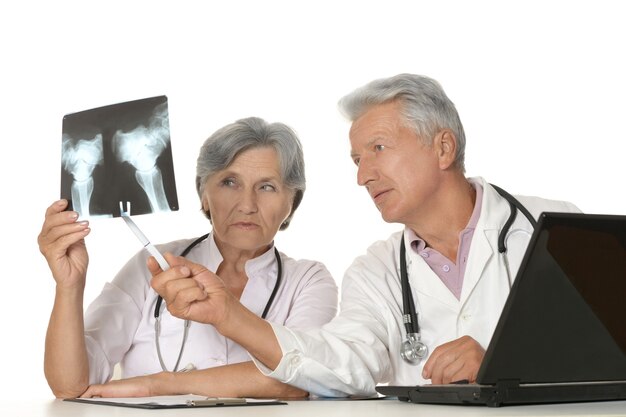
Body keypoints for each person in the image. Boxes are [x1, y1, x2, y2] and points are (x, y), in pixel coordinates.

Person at [146, 74, 581, 397]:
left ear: (443, 148)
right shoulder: (376, 271)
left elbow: (609, 348)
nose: (361, 176)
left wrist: (505, 367)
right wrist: (227, 315)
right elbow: (345, 365)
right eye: (356, 158)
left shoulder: (555, 227)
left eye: (377, 149)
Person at [38, 117, 338, 399]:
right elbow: (69, 386)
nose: (247, 204)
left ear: (292, 202)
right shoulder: (150, 267)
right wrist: (69, 286)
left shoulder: (308, 280)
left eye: (267, 186)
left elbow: (303, 378)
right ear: (204, 194)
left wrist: (158, 384)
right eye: (229, 182)